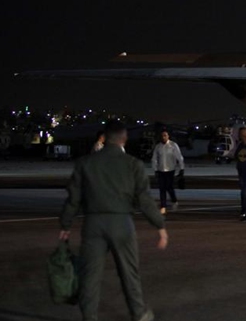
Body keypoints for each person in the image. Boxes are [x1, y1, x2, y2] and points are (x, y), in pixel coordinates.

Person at [58, 120, 166, 321]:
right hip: (121, 223)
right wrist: (159, 225)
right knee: (129, 273)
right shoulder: (133, 164)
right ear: (124, 139)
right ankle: (138, 313)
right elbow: (144, 199)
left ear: (104, 138)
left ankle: (89, 316)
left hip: (93, 224)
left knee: (90, 275)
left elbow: (74, 197)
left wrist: (66, 224)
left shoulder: (86, 163)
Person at [151, 129, 185, 215]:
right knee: (162, 188)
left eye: (165, 135)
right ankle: (163, 206)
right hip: (161, 170)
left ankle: (174, 201)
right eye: (162, 135)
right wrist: (155, 169)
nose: (163, 137)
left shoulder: (173, 145)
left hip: (170, 170)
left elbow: (179, 157)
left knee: (169, 187)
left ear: (168, 136)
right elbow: (154, 159)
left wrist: (182, 168)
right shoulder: (158, 147)